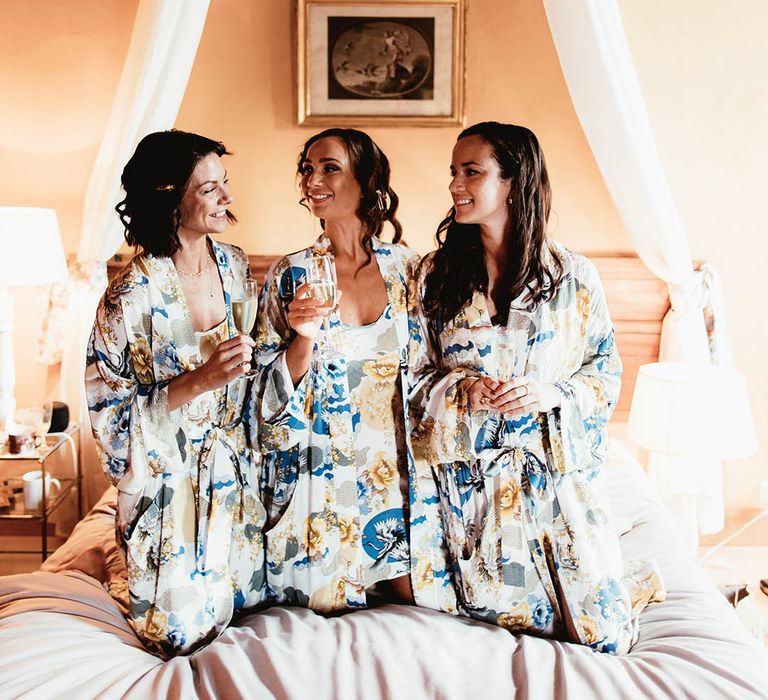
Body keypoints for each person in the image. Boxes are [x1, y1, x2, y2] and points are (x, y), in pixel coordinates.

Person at [409, 121, 663, 654]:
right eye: (453, 173)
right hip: (468, 482)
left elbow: (603, 371)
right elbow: (411, 378)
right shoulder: (433, 276)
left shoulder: (573, 277)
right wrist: (464, 393)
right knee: (493, 612)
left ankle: (626, 579)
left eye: (471, 172)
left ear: (514, 180)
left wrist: (553, 396)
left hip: (556, 478)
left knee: (601, 634)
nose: (455, 185)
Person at [254, 128, 455, 613]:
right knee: (324, 603)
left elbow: (442, 367)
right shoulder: (292, 272)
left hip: (400, 475)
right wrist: (302, 337)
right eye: (307, 168)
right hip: (321, 468)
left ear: (366, 181)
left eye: (329, 167)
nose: (312, 180)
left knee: (425, 599)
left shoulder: (414, 271)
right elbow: (263, 391)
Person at [85, 130, 266, 657]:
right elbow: (108, 417)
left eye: (224, 184)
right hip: (165, 482)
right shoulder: (129, 295)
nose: (228, 199)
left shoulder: (235, 266)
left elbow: (255, 369)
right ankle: (126, 563)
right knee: (178, 634)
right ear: (169, 196)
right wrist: (197, 380)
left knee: (253, 605)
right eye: (211, 189)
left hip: (232, 470)